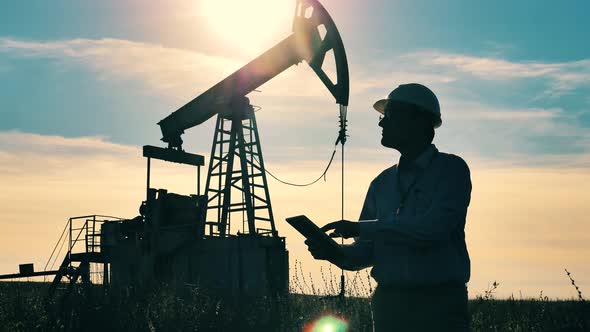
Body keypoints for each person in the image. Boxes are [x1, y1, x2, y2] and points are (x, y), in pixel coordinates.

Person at [305, 83, 472, 332]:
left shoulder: (451, 170)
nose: (381, 124)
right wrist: (333, 252)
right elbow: (365, 254)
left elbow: (432, 229)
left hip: (439, 307)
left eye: (389, 116)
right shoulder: (381, 183)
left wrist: (360, 228)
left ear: (417, 121)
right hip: (389, 307)